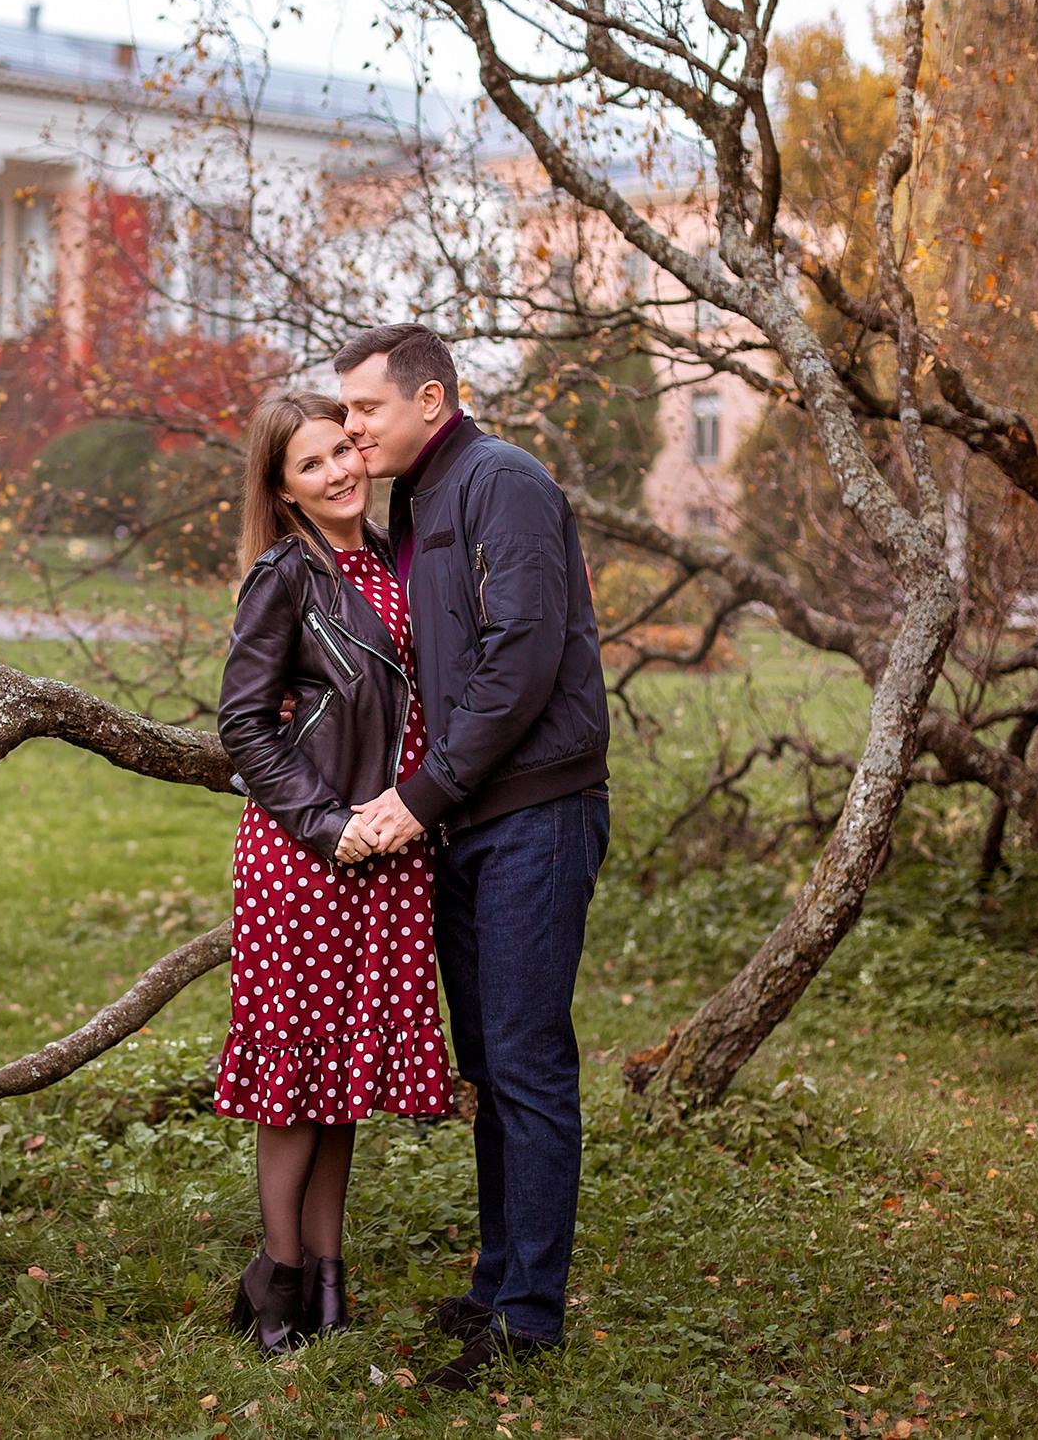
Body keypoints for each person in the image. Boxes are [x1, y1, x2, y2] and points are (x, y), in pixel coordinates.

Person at [335, 324, 610, 1390]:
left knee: (528, 1064)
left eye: (364, 409)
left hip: (532, 814)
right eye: (345, 412)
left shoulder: (504, 482)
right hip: (466, 821)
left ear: (431, 400)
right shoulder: (416, 502)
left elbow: (521, 659)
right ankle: (498, 1279)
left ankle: (529, 1320)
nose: (350, 429)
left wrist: (418, 795)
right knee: (491, 1066)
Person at [215, 390, 453, 1353]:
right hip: (307, 860)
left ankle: (327, 1282)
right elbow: (242, 724)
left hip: (390, 856)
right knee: (293, 1078)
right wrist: (325, 824)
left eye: (344, 450)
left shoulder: (398, 560)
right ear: (283, 488)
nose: (340, 471)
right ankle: (276, 1279)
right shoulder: (283, 576)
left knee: (342, 1078)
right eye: (311, 465)